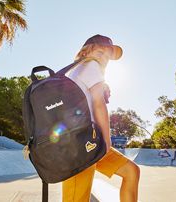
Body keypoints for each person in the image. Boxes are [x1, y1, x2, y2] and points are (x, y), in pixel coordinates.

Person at [62, 34, 141, 202]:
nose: (104, 59)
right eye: (100, 52)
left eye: (107, 56)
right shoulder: (91, 66)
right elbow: (99, 105)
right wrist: (107, 140)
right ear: (86, 50)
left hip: (89, 142)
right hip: (80, 146)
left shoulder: (75, 70)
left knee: (131, 171)